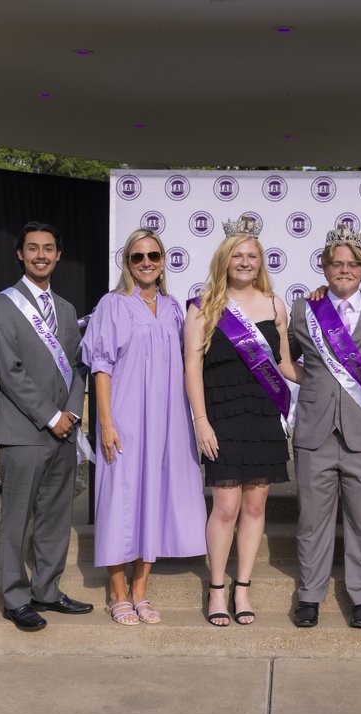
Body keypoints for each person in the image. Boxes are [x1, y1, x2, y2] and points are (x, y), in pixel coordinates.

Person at [81, 229, 207, 625]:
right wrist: (105, 422)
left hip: (167, 422)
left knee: (152, 499)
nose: (147, 262)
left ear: (164, 259)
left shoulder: (175, 308)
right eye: (138, 257)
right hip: (124, 419)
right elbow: (101, 367)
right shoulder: (112, 304)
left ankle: (141, 591)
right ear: (128, 262)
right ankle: (117, 593)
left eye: (153, 255)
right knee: (120, 501)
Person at [185, 216, 295, 627]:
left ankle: (243, 585)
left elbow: (284, 366)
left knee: (255, 504)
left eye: (252, 256)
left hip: (263, 416)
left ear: (261, 262)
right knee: (226, 505)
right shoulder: (203, 307)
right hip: (223, 417)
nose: (245, 262)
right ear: (224, 260)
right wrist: (201, 420)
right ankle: (217, 587)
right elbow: (192, 368)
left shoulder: (274, 304)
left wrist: (332, 365)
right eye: (238, 255)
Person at [0, 221, 92, 632]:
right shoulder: (1, 306)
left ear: (58, 255)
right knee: (16, 518)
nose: (41, 254)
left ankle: (48, 589)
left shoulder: (65, 309)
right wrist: (51, 416)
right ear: (20, 254)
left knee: (54, 515)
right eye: (33, 248)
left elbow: (77, 368)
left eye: (48, 248)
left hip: (64, 431)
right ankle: (15, 597)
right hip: (23, 433)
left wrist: (71, 414)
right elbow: (9, 372)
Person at [287, 224, 361, 629]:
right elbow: (283, 361)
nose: (344, 270)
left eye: (353, 264)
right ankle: (310, 596)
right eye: (336, 263)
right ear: (324, 267)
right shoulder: (303, 309)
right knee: (312, 523)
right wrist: (313, 384)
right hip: (315, 432)